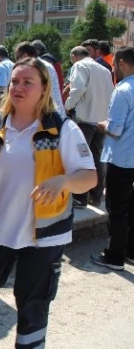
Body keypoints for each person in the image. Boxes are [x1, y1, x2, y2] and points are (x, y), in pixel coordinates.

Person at [0, 58, 97, 349]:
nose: (18, 87)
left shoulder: (62, 129)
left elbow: (88, 178)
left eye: (27, 82)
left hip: (44, 238)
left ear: (43, 89)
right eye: (14, 81)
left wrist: (63, 180)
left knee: (32, 303)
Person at [92, 47, 134, 271]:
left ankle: (114, 256)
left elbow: (115, 129)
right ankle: (130, 252)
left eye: (115, 64)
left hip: (122, 159)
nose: (113, 69)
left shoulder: (123, 90)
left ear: (122, 64)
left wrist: (101, 124)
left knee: (117, 209)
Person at [65, 46, 114, 207]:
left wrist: (67, 106)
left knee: (81, 159)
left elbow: (78, 88)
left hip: (84, 119)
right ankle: (96, 196)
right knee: (97, 158)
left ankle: (80, 197)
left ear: (75, 56)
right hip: (101, 120)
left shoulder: (79, 66)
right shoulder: (104, 69)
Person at [15, 42, 65, 117]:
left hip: (48, 116)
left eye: (17, 58)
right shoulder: (47, 64)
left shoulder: (34, 68)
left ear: (25, 55)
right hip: (58, 113)